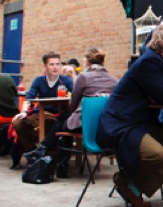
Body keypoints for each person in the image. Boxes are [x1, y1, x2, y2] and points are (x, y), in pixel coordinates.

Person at [96, 25, 163, 207]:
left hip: (143, 122)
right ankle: (129, 185)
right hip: (122, 123)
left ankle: (130, 184)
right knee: (156, 154)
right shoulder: (148, 63)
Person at [23, 48, 118, 178]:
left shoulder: (84, 77)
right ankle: (46, 152)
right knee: (66, 120)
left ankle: (52, 158)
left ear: (87, 61)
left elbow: (72, 106)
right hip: (104, 125)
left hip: (86, 124)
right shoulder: (114, 80)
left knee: (65, 122)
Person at [11, 52, 74, 154]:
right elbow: (29, 98)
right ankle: (32, 151)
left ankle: (48, 153)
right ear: (45, 66)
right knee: (17, 123)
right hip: (39, 114)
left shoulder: (65, 80)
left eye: (57, 64)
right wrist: (24, 112)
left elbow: (76, 93)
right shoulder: (39, 80)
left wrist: (73, 75)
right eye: (51, 64)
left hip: (57, 115)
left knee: (52, 122)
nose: (55, 67)